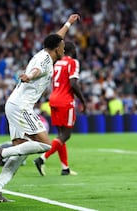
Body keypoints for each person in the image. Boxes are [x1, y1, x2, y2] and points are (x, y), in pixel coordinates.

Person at [0, 14, 80, 203]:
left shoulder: (44, 52)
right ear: (56, 48)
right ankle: (0, 152)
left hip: (13, 104)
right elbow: (36, 71)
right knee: (44, 144)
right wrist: (29, 76)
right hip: (21, 107)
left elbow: (57, 36)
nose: (64, 48)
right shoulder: (45, 60)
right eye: (62, 46)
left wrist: (69, 23)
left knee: (20, 152)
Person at [33, 42, 86, 176]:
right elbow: (73, 83)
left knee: (60, 135)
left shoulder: (57, 63)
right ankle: (42, 158)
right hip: (65, 101)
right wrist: (83, 100)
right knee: (66, 135)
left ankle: (65, 168)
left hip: (54, 99)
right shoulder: (73, 62)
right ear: (72, 50)